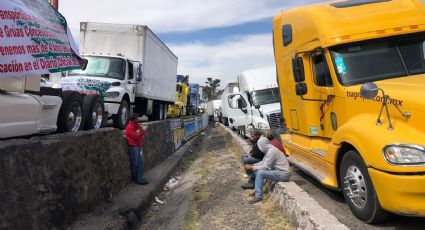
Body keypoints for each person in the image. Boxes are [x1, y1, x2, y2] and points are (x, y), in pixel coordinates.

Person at [244, 137, 290, 203]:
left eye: (260, 146)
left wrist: (252, 167)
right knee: (258, 171)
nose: (260, 148)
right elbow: (263, 162)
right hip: (278, 171)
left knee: (260, 173)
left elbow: (266, 167)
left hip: (283, 174)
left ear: (263, 145)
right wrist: (253, 165)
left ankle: (258, 196)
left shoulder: (272, 151)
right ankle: (257, 190)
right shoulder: (269, 150)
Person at [125, 113, 149, 185]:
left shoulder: (137, 125)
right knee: (135, 163)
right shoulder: (129, 127)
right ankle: (137, 178)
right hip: (133, 146)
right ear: (133, 120)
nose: (138, 120)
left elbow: (141, 133)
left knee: (141, 162)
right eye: (137, 119)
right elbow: (137, 136)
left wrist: (142, 130)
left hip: (138, 145)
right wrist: (143, 131)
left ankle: (139, 178)